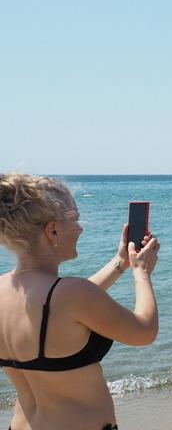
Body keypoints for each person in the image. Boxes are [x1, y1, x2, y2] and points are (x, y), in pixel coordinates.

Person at [0, 174, 159, 430]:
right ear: (52, 230)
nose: (81, 227)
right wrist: (141, 274)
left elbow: (57, 308)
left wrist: (120, 262)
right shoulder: (72, 294)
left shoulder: (12, 292)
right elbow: (145, 331)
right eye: (74, 218)